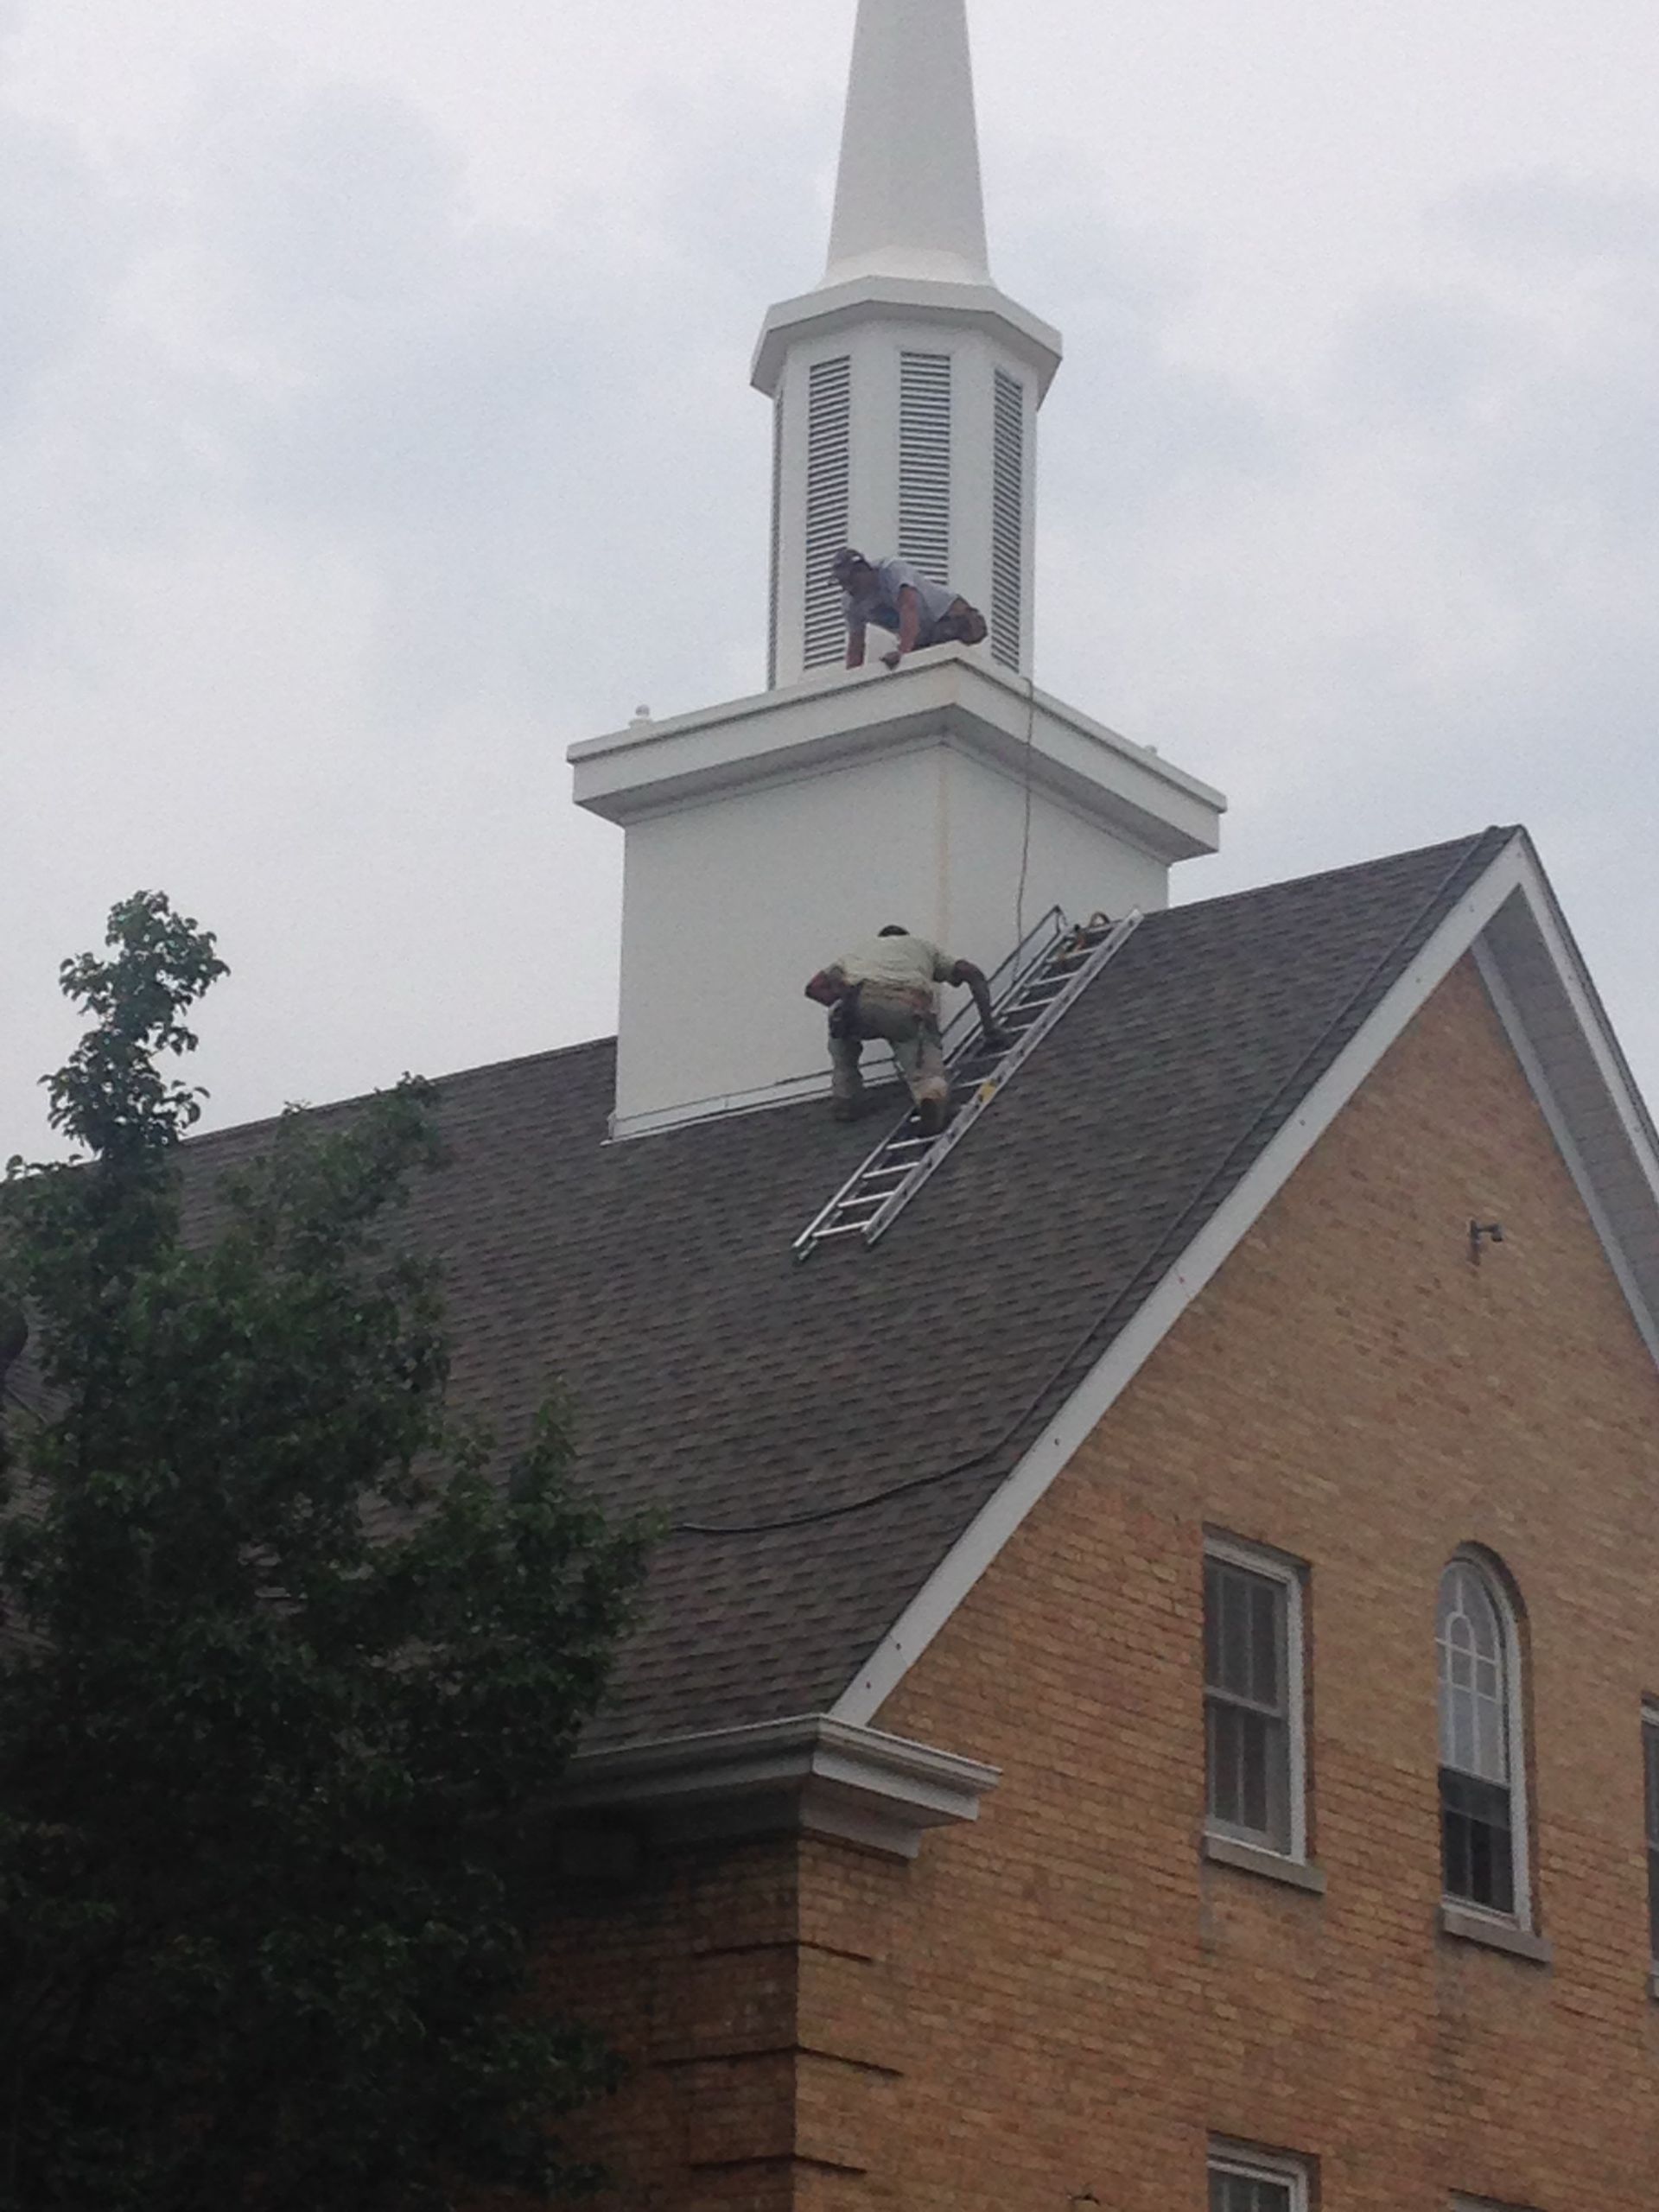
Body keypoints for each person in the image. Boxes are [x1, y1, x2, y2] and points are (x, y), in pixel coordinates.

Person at [804, 925, 1008, 1135]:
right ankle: (931, 1099)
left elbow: (813, 987)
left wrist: (841, 1003)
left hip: (857, 1000)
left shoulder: (857, 953)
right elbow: (969, 972)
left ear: (882, 938)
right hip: (904, 1004)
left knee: (841, 1036)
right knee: (921, 1058)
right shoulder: (922, 947)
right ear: (904, 937)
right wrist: (989, 1027)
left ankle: (845, 1100)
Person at [832, 549, 988, 671]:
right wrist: (852, 680)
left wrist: (902, 652)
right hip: (922, 637)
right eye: (843, 584)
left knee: (951, 638)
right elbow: (856, 645)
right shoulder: (851, 603)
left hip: (949, 615)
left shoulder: (891, 570)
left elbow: (908, 607)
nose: (848, 588)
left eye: (850, 581)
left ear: (863, 570)